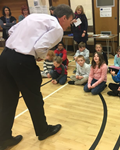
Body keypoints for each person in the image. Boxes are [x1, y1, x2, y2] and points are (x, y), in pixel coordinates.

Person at [0, 4, 73, 149]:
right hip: (22, 62)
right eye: (70, 21)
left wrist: (21, 42)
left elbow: (12, 30)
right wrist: (39, 56)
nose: (69, 25)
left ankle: (4, 138)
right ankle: (43, 130)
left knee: (7, 101)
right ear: (63, 18)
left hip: (5, 56)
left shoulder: (34, 16)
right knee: (34, 99)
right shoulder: (57, 28)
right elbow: (40, 48)